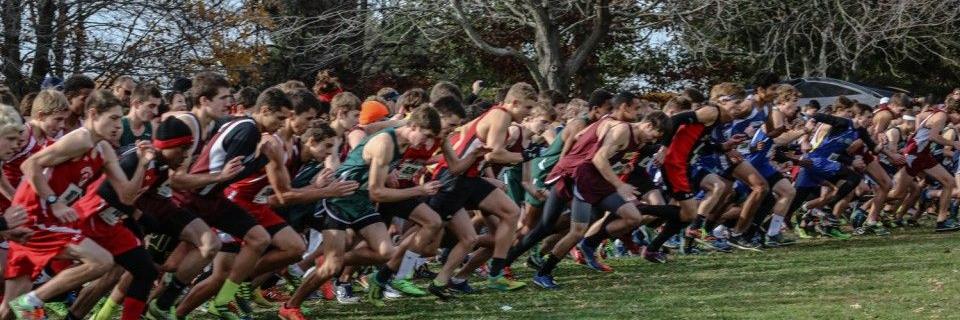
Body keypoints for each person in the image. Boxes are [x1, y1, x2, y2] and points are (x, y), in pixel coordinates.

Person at [2, 90, 153, 320]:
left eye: (119, 119)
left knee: (9, 310)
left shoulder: (104, 151)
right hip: (35, 217)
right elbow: (30, 165)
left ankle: (27, 305)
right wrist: (54, 203)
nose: (118, 126)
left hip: (46, 220)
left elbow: (126, 197)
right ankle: (32, 302)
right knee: (101, 260)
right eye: (112, 118)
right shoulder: (80, 139)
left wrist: (143, 165)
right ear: (93, 114)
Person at [280, 106, 443, 319]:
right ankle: (290, 306)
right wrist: (419, 190)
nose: (428, 143)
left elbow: (367, 129)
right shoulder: (386, 143)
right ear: (413, 126)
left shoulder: (403, 135)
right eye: (427, 136)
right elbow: (377, 193)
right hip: (341, 197)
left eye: (432, 138)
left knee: (387, 253)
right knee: (332, 266)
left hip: (361, 201)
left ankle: (331, 261)